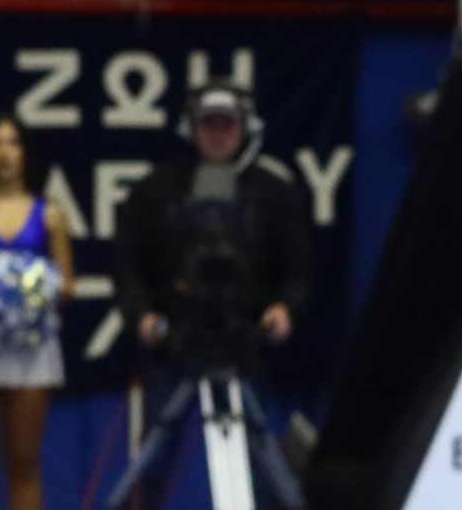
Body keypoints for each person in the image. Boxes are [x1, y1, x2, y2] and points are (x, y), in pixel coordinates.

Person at [112, 81, 312, 510]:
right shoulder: (155, 190)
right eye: (209, 124)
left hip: (246, 345)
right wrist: (141, 315)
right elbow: (128, 265)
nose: (218, 134)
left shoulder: (275, 191)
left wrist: (285, 309)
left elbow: (298, 267)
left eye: (228, 124)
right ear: (191, 128)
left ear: (246, 127)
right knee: (155, 460)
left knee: (264, 463)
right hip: (178, 343)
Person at [0, 116, 73, 510]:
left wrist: (27, 287)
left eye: (13, 143)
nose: (4, 153)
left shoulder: (49, 213)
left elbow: (67, 283)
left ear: (26, 152)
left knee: (24, 460)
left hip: (31, 347)